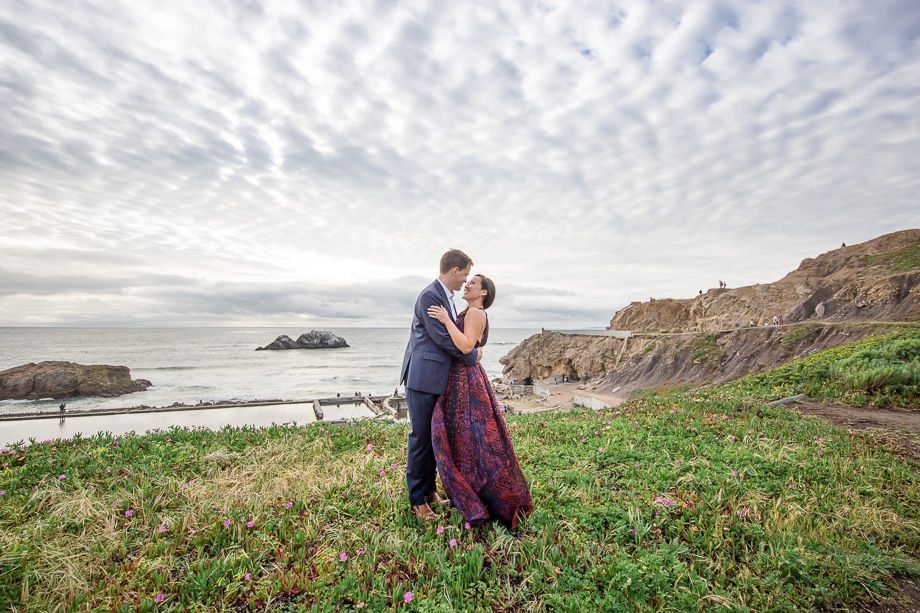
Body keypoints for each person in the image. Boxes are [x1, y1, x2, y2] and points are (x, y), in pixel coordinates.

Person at [428, 274, 533, 529]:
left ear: (483, 292)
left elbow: (465, 346)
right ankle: (473, 493)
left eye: (473, 283)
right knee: (467, 440)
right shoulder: (471, 311)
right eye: (468, 281)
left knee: (468, 439)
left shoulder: (476, 312)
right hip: (462, 377)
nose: (467, 284)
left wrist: (444, 320)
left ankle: (477, 496)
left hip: (466, 380)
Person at [400, 249, 481, 522]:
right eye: (465, 274)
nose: (465, 281)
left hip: (437, 379)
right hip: (423, 378)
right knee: (420, 438)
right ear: (455, 270)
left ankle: (430, 491)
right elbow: (442, 339)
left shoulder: (445, 298)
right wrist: (473, 356)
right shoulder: (430, 296)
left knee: (435, 438)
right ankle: (416, 500)